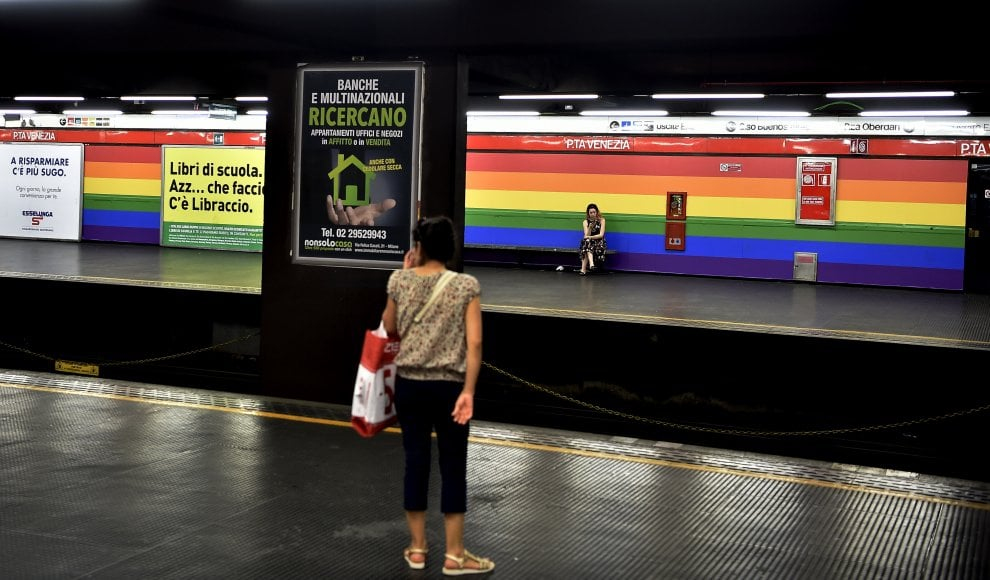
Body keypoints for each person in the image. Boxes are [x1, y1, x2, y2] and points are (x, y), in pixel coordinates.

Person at [381, 215, 495, 576]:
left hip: (409, 386)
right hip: (449, 387)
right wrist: (469, 392)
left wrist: (402, 277)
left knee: (415, 462)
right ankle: (455, 555)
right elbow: (475, 343)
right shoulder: (466, 286)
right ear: (450, 248)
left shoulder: (399, 280)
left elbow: (389, 327)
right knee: (453, 466)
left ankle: (417, 549)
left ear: (418, 247)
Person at [578, 202, 607, 275]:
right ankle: (591, 264)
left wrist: (590, 237)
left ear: (597, 212)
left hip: (599, 242)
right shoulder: (585, 222)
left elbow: (601, 235)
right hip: (589, 243)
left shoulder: (602, 220)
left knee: (586, 244)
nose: (593, 214)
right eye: (591, 212)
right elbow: (586, 235)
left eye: (594, 212)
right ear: (588, 213)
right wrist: (590, 227)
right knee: (586, 242)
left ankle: (583, 269)